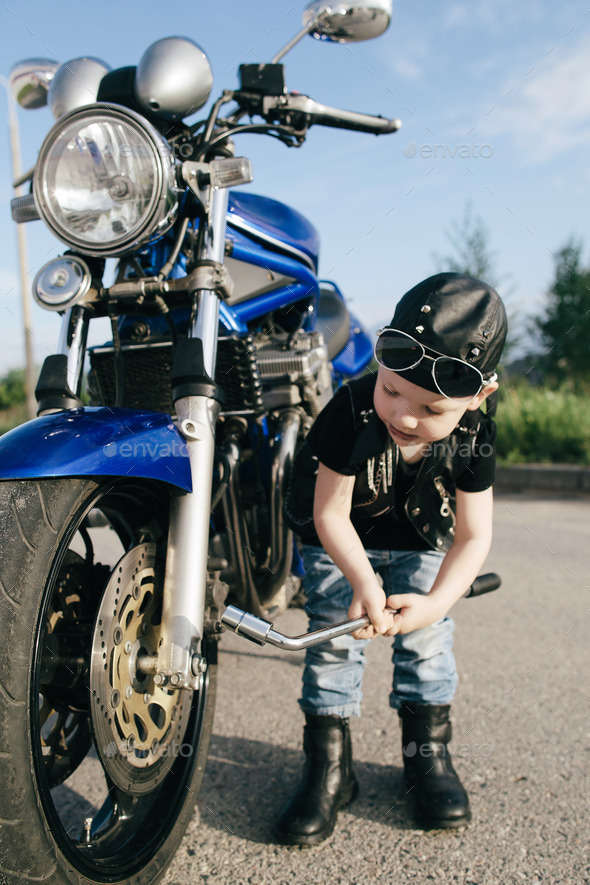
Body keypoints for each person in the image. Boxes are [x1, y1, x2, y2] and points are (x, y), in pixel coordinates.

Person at [277, 272, 508, 845]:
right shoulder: (352, 408)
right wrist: (361, 580)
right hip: (340, 535)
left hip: (423, 535)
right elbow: (330, 514)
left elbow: (474, 536)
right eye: (393, 390)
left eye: (430, 408)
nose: (403, 415)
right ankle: (329, 768)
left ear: (479, 395)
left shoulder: (475, 432)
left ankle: (426, 759)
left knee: (428, 644)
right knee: (335, 638)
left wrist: (433, 605)